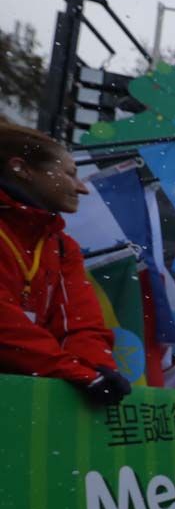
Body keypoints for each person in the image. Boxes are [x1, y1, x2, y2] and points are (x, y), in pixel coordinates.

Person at [0, 121, 128, 406]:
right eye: (70, 174)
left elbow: (80, 323)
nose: (82, 188)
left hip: (22, 400)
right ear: (21, 169)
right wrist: (74, 372)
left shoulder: (61, 245)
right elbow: (5, 326)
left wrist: (98, 368)